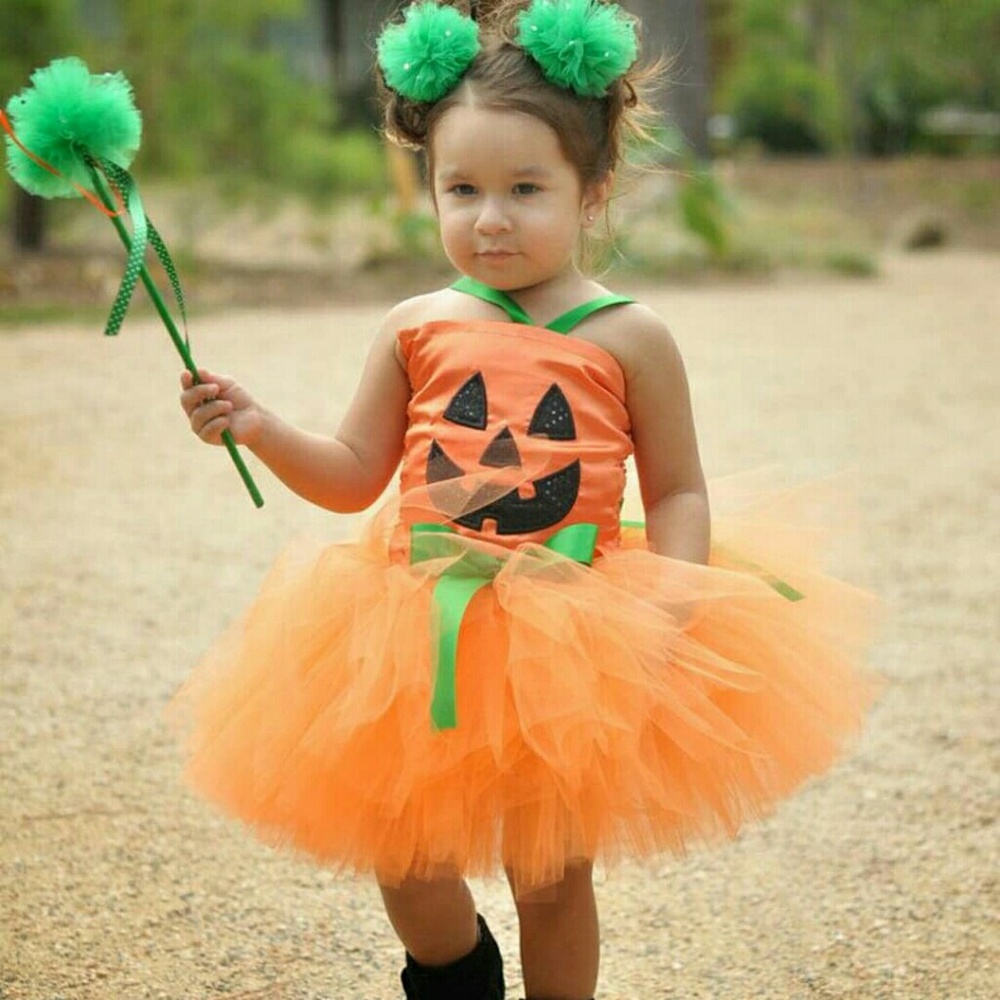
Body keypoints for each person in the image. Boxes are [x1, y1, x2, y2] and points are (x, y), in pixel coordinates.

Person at [173, 2, 876, 998]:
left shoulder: (629, 336)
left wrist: (667, 609)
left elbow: (677, 486)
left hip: (572, 628)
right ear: (429, 186)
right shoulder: (414, 325)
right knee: (405, 854)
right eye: (460, 188)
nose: (489, 216)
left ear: (592, 192)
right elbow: (350, 474)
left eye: (524, 189)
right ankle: (456, 972)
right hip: (416, 621)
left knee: (549, 872)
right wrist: (257, 426)